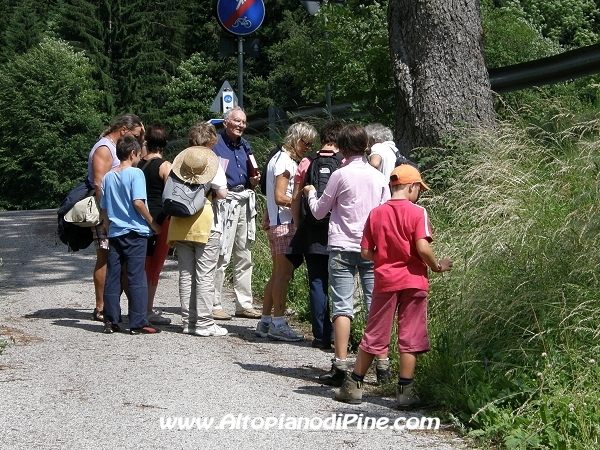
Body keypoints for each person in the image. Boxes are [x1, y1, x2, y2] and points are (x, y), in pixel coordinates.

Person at [335, 164, 453, 408]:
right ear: (411, 186)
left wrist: (387, 259)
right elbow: (422, 247)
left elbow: (366, 251)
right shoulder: (418, 212)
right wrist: (437, 266)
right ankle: (405, 392)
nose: (419, 193)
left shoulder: (376, 214)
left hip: (386, 280)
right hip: (414, 281)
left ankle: (354, 386)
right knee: (411, 334)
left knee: (375, 333)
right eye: (419, 189)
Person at [303, 123, 391, 387]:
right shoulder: (378, 177)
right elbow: (385, 212)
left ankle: (340, 365)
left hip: (342, 246)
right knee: (374, 306)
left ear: (341, 148)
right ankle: (383, 365)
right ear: (366, 147)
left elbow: (319, 211)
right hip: (371, 248)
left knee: (342, 307)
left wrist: (310, 194)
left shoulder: (340, 175)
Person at [256, 122, 317, 341]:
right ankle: (279, 323)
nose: (307, 147)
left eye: (310, 144)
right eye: (304, 142)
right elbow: (279, 196)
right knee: (284, 275)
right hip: (284, 224)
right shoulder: (286, 163)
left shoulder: (277, 157)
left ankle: (265, 321)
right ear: (294, 138)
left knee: (276, 274)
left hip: (275, 222)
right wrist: (303, 198)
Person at [167, 124, 229, 337]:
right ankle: (204, 323)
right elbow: (222, 193)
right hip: (205, 222)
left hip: (180, 222)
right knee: (204, 275)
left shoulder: (181, 161)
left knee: (186, 274)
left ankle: (188, 322)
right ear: (210, 141)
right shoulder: (211, 162)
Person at [287, 120, 344, 349]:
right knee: (340, 285)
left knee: (317, 283)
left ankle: (321, 336)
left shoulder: (306, 162)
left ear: (322, 139)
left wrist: (300, 226)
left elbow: (295, 198)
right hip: (339, 233)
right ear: (341, 140)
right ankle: (341, 336)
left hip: (312, 232)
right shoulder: (345, 163)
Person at [99, 135, 161, 334]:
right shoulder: (136, 174)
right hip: (135, 232)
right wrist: (153, 224)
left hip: (115, 232)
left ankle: (111, 320)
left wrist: (107, 228)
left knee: (113, 276)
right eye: (139, 154)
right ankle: (138, 321)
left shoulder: (108, 177)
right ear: (133, 153)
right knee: (136, 277)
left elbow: (105, 208)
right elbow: (138, 202)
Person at [88, 113, 145, 322]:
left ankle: (121, 308)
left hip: (116, 215)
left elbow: (139, 155)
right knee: (104, 256)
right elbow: (98, 182)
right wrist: (107, 215)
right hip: (107, 213)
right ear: (123, 130)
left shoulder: (118, 147)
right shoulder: (104, 148)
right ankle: (101, 307)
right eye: (136, 135)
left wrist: (143, 137)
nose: (138, 140)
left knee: (118, 261)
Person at [211, 107, 261, 320]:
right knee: (222, 254)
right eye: (237, 121)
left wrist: (254, 181)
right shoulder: (215, 146)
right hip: (225, 203)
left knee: (244, 253)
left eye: (243, 122)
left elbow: (252, 168)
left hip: (244, 200)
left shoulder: (245, 145)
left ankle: (244, 304)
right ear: (226, 123)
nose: (241, 125)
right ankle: (214, 303)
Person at [139, 123, 172, 325]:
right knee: (155, 266)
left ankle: (139, 306)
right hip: (160, 220)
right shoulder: (164, 166)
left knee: (142, 264)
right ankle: (148, 309)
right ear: (165, 143)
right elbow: (171, 194)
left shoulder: (138, 164)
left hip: (141, 217)